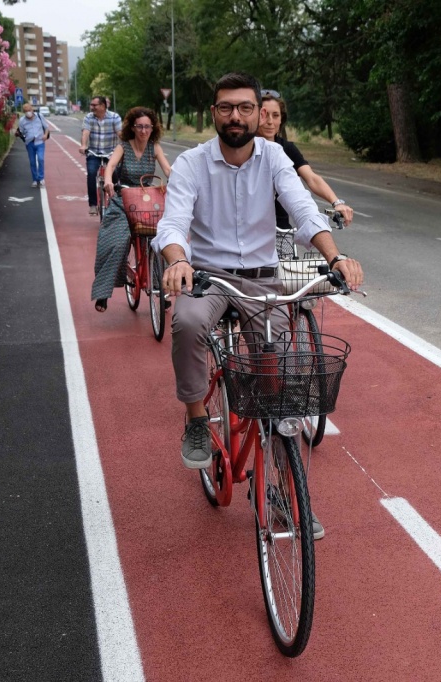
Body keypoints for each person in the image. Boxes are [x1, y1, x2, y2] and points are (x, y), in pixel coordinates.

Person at [153, 72, 363, 540]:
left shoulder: (273, 158)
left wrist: (336, 256)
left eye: (245, 108)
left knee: (277, 389)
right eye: (226, 108)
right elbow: (172, 223)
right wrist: (178, 261)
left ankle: (283, 499)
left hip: (263, 281)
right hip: (207, 277)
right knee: (186, 320)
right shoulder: (191, 163)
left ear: (257, 112)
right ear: (214, 113)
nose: (236, 116)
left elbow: (304, 210)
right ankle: (194, 420)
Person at [90, 107, 172, 312]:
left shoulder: (155, 148)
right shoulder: (123, 147)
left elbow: (168, 169)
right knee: (116, 243)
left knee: (159, 243)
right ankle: (103, 292)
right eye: (140, 126)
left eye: (147, 126)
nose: (144, 131)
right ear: (132, 128)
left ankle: (157, 289)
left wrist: (179, 182)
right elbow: (110, 166)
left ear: (153, 128)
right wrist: (108, 181)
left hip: (148, 203)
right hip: (124, 201)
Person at [258, 90, 354, 228]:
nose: (270, 121)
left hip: (280, 232)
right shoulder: (243, 149)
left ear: (281, 119)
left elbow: (311, 178)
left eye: (275, 115)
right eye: (264, 115)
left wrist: (337, 203)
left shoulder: (287, 149)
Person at [78, 95, 122, 216]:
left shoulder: (114, 117)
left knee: (115, 176)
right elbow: (86, 132)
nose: (91, 107)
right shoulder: (89, 117)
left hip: (111, 153)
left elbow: (120, 133)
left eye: (94, 105)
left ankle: (116, 201)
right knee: (91, 174)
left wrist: (126, 146)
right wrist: (83, 145)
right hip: (94, 152)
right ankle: (93, 204)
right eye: (91, 105)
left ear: (102, 106)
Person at [17, 102, 49, 187]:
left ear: (32, 109)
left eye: (29, 110)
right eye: (26, 111)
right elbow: (21, 132)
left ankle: (41, 178)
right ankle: (35, 179)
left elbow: (46, 127)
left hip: (40, 142)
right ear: (24, 112)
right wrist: (19, 134)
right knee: (32, 162)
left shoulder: (39, 116)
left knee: (41, 159)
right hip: (29, 143)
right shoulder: (22, 120)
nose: (28, 112)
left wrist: (45, 135)